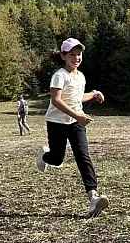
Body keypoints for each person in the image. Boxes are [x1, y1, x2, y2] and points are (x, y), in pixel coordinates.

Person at [36, 38, 109, 218]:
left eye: (79, 54)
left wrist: (93, 94)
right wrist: (78, 115)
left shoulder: (80, 76)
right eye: (72, 55)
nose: (76, 58)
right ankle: (44, 155)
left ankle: (93, 198)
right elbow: (56, 100)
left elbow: (76, 97)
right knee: (57, 159)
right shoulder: (59, 75)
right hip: (57, 123)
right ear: (63, 56)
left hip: (76, 124)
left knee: (83, 157)